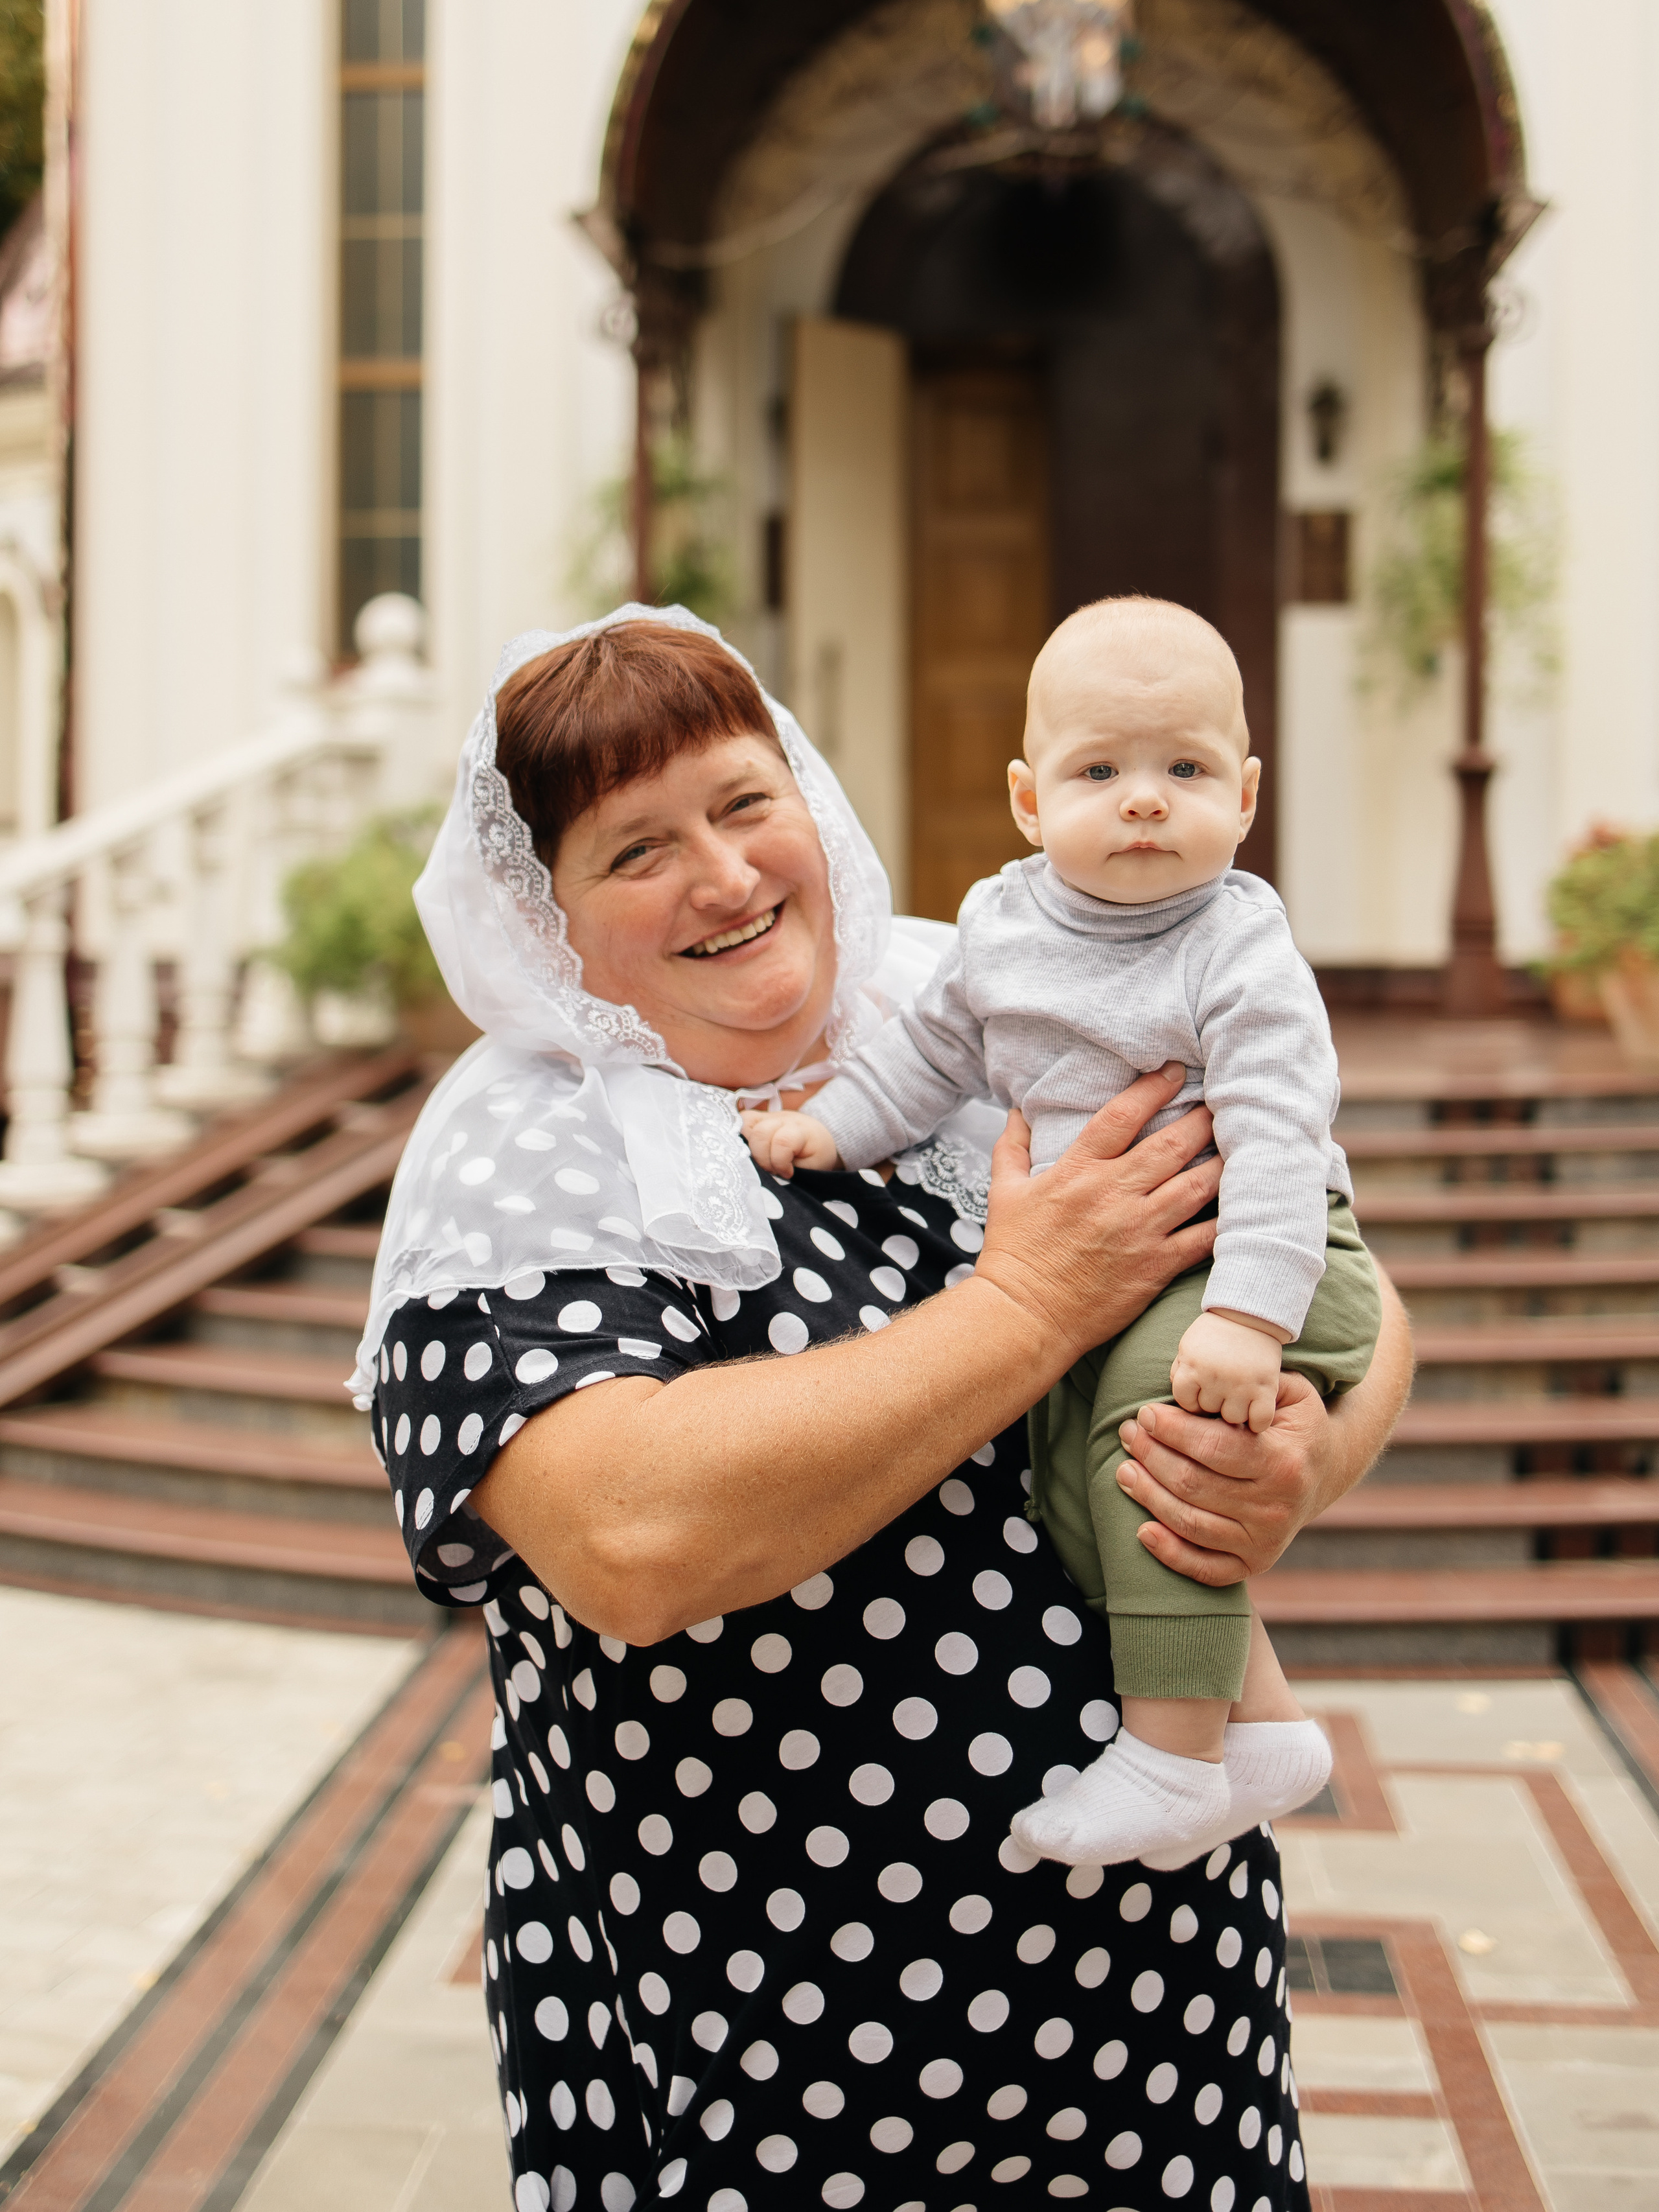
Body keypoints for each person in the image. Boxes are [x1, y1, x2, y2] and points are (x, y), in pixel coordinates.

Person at [357, 604, 1412, 2212]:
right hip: (790, 2044)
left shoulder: (993, 992)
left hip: (1160, 2011)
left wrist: (1287, 1465)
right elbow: (628, 1538)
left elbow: (1354, 1285)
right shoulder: (516, 1159)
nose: (721, 877)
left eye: (739, 801)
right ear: (539, 917)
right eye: (634, 851)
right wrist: (1028, 1304)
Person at [741, 598, 1380, 1876]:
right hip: (1135, 1275)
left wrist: (1246, 1318)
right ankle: (1256, 1725)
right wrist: (831, 1130)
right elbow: (931, 1053)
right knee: (1070, 1488)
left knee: (1150, 1442)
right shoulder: (996, 925)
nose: (1143, 801)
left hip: (1259, 1256)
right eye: (1100, 771)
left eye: (1184, 771)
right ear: (1029, 801)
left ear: (1244, 795)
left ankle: (1169, 1757)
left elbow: (1272, 1135)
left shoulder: (1238, 948)